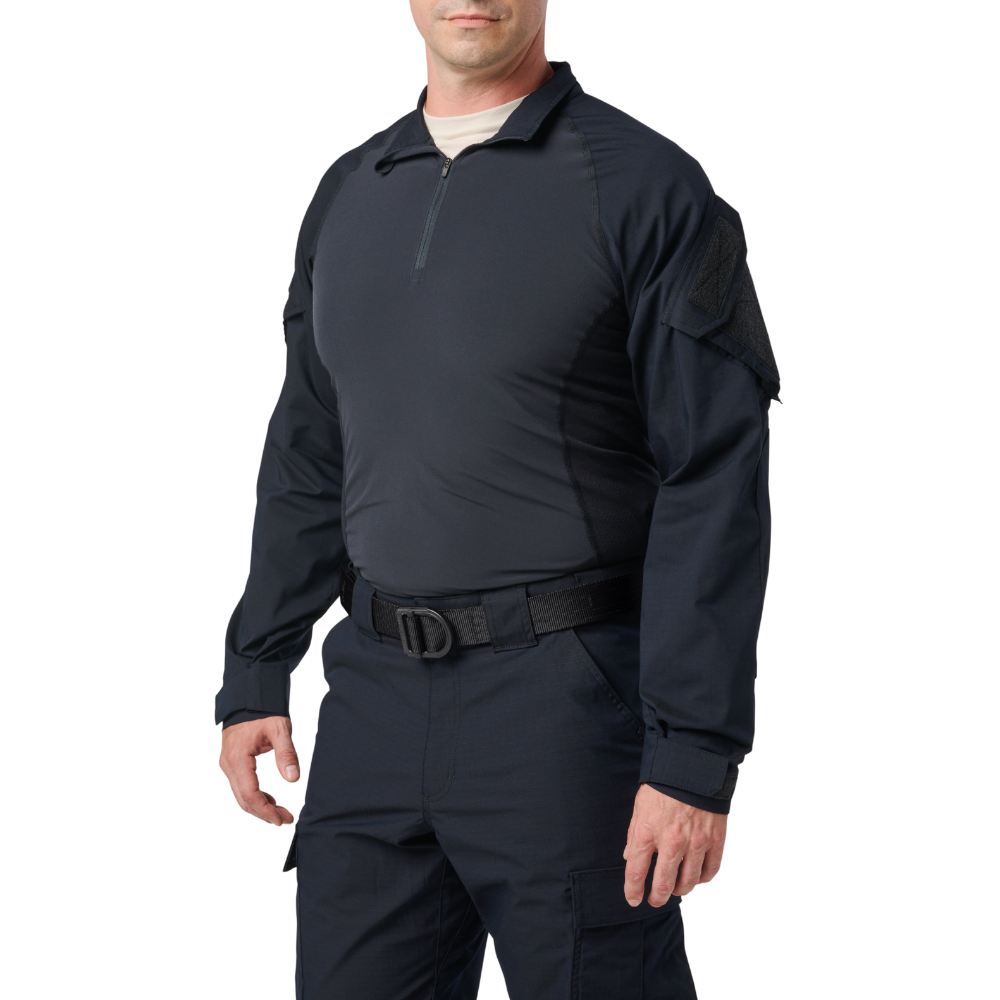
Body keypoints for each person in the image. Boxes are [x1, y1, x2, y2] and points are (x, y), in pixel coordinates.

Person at [216, 2, 778, 996]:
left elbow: (715, 475)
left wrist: (694, 755)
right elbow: (307, 447)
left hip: (568, 709)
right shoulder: (346, 189)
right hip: (370, 704)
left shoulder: (647, 183)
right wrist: (258, 668)